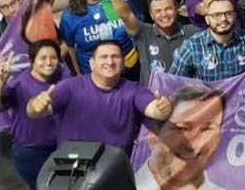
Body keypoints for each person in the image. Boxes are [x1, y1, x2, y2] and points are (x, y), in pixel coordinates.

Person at [134, 84, 245, 190]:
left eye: (207, 129)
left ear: (219, 140)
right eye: (182, 128)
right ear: (153, 137)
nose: (193, 143)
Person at [27, 41, 172, 153]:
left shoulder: (133, 89)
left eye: (115, 57)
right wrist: (35, 106)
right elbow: (35, 112)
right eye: (104, 57)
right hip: (73, 169)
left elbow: (152, 108)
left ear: (122, 63)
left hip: (114, 169)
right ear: (92, 63)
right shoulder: (70, 86)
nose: (110, 62)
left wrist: (162, 110)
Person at [0, 40, 61, 190]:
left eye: (53, 57)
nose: (48, 62)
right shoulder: (19, 84)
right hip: (31, 152)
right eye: (43, 58)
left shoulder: (62, 78)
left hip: (59, 147)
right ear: (32, 61)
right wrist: (0, 80)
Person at [59, 0, 140, 78]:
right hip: (93, 75)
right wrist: (77, 73)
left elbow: (138, 28)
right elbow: (70, 47)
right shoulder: (69, 15)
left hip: (129, 67)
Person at [168, 0, 245, 83]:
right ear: (207, 19)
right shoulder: (192, 46)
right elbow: (171, 81)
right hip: (205, 104)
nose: (223, 19)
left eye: (228, 14)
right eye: (216, 15)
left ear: (235, 15)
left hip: (240, 102)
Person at [134, 0, 199, 83]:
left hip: (185, 95)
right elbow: (125, 16)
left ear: (176, 9)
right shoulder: (144, 33)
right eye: (158, 11)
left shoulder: (194, 33)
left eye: (168, 9)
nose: (164, 14)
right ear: (151, 15)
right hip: (152, 96)